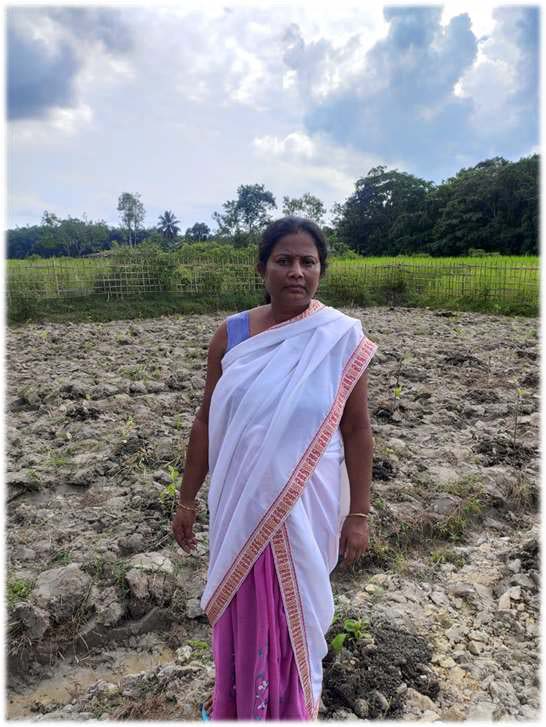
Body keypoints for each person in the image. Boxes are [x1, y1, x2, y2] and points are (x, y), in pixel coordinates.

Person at [172, 216, 378, 720]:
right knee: (246, 613)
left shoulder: (337, 339)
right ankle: (243, 705)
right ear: (262, 268)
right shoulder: (233, 334)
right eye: (284, 260)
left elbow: (356, 431)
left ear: (321, 271)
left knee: (295, 614)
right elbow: (206, 420)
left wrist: (360, 513)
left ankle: (289, 707)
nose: (296, 272)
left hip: (307, 509)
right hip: (242, 506)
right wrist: (185, 499)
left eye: (308, 262)